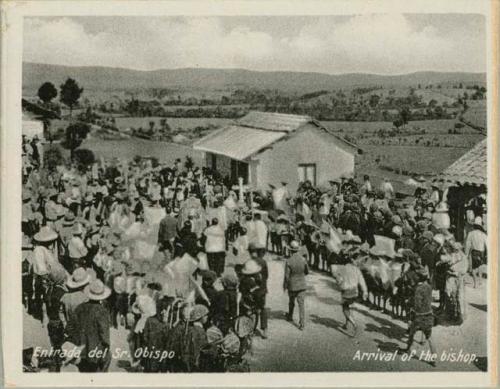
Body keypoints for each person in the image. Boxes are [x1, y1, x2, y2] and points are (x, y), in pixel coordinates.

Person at [73, 279, 112, 372]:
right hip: (95, 351)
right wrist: (106, 348)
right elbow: (104, 334)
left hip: (81, 349)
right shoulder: (102, 311)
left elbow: (73, 327)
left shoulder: (79, 308)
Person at [403, 266, 436, 367]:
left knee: (412, 333)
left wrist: (409, 302)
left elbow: (417, 305)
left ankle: (408, 349)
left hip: (419, 316)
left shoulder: (418, 289)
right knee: (430, 338)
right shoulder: (429, 287)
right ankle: (434, 359)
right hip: (429, 315)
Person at [332, 248, 367, 336]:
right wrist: (365, 291)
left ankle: (354, 324)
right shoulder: (357, 269)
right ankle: (346, 324)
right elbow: (362, 281)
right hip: (355, 291)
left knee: (344, 309)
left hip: (346, 291)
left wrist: (338, 282)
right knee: (347, 307)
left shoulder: (343, 269)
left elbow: (338, 280)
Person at [283, 240, 309, 330]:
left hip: (292, 285)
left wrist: (285, 286)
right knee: (301, 305)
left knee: (291, 301)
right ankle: (302, 324)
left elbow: (286, 276)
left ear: (290, 250)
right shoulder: (303, 259)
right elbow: (307, 272)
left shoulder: (289, 261)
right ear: (298, 249)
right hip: (302, 285)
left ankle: (290, 316)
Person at [61, 267, 91, 343]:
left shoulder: (66, 297)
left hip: (71, 330)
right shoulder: (87, 298)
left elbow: (61, 312)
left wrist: (65, 323)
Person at [249, 243, 269, 339]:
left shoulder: (248, 262)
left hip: (252, 290)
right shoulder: (263, 262)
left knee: (252, 309)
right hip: (262, 289)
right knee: (262, 308)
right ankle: (264, 330)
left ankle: (252, 329)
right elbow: (266, 276)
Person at [464, 216, 488, 288]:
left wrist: (466, 254)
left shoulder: (471, 233)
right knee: (480, 266)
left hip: (474, 252)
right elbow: (487, 245)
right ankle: (480, 281)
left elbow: (468, 244)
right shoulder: (483, 234)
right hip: (482, 252)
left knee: (474, 268)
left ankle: (475, 283)